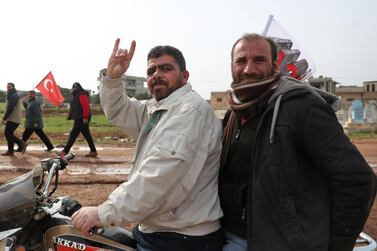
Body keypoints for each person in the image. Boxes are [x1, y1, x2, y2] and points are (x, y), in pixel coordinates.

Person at [219, 33, 376, 251]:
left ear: (275, 65)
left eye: (259, 60)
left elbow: (357, 180)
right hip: (231, 236)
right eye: (241, 61)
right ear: (231, 66)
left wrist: (336, 245)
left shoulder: (301, 107)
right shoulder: (234, 113)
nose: (249, 69)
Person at [71, 39, 224, 250]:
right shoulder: (157, 108)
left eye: (166, 68)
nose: (156, 74)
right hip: (158, 230)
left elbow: (159, 176)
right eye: (151, 70)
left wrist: (103, 213)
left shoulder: (189, 111)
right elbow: (119, 111)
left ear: (184, 76)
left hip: (180, 239)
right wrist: (114, 78)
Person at [60, 82, 97, 157]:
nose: (74, 89)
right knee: (86, 135)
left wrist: (85, 117)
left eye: (76, 87)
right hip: (79, 118)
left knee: (73, 135)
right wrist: (70, 116)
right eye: (74, 87)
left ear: (78, 88)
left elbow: (85, 106)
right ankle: (93, 151)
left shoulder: (81, 94)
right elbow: (74, 109)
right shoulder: (76, 97)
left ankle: (64, 152)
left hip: (81, 119)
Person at [2, 82, 27, 156]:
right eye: (7, 87)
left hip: (14, 118)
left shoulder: (14, 96)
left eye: (9, 87)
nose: (8, 88)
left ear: (13, 87)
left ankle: (22, 144)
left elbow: (10, 108)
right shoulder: (11, 95)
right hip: (12, 118)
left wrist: (4, 118)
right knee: (9, 134)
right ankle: (10, 151)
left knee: (8, 133)